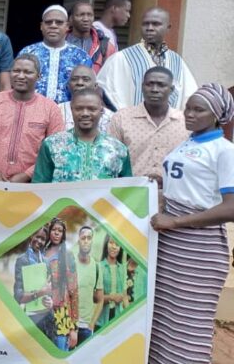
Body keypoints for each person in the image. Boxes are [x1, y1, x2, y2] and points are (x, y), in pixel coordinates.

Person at [148, 83, 234, 364]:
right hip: (171, 244)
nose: (190, 114)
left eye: (199, 110)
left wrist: (176, 222)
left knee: (188, 323)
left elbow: (231, 207)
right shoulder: (190, 141)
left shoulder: (224, 150)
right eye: (187, 108)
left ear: (217, 116)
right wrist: (162, 183)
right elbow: (193, 185)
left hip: (198, 248)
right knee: (164, 319)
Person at [0, 55, 64, 182]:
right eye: (16, 71)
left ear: (39, 76)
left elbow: (56, 149)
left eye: (28, 72)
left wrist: (28, 175)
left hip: (32, 184)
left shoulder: (51, 108)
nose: (20, 76)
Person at [97, 7, 197, 111]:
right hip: (130, 120)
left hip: (170, 120)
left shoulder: (177, 62)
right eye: (145, 24)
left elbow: (189, 95)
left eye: (156, 24)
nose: (149, 28)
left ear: (168, 28)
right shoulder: (121, 58)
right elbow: (105, 91)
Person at [33, 89, 132, 183]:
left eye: (92, 109)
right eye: (79, 109)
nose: (85, 113)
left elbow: (127, 189)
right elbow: (39, 185)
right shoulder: (52, 144)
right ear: (71, 109)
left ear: (101, 110)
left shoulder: (118, 149)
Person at [108, 67, 188, 178]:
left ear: (171, 89)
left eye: (161, 85)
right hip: (132, 188)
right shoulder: (121, 118)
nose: (154, 89)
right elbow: (111, 159)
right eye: (149, 84)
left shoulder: (185, 122)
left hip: (174, 188)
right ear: (142, 87)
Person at [19, 5, 92, 104]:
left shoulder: (81, 57)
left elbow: (87, 90)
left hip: (68, 111)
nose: (53, 26)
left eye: (59, 22)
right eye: (48, 22)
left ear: (67, 26)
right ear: (41, 26)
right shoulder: (27, 53)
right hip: (31, 109)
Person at [43, 218, 79, 352]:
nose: (57, 233)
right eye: (54, 230)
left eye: (60, 231)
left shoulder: (67, 256)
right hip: (41, 314)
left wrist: (74, 328)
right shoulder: (41, 253)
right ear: (49, 232)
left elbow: (74, 292)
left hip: (61, 317)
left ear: (63, 234)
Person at [58, 65, 113, 133]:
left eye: (86, 79)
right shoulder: (58, 110)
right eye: (74, 79)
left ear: (95, 86)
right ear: (68, 85)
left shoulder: (109, 116)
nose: (79, 83)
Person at [73, 226, 104, 344]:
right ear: (78, 240)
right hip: (70, 326)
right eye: (83, 238)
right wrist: (70, 324)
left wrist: (92, 323)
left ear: (92, 241)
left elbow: (100, 300)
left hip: (86, 328)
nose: (86, 241)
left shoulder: (96, 267)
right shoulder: (71, 263)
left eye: (89, 238)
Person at [66, 1, 115, 73]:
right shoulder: (61, 42)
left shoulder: (106, 46)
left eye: (89, 15)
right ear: (71, 19)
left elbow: (111, 74)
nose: (86, 19)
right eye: (81, 15)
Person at [96, 234, 129, 330]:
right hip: (101, 320)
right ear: (106, 244)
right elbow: (95, 298)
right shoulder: (99, 267)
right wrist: (112, 297)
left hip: (118, 319)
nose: (114, 247)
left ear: (120, 248)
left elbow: (124, 296)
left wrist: (129, 316)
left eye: (117, 244)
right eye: (111, 243)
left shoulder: (122, 269)